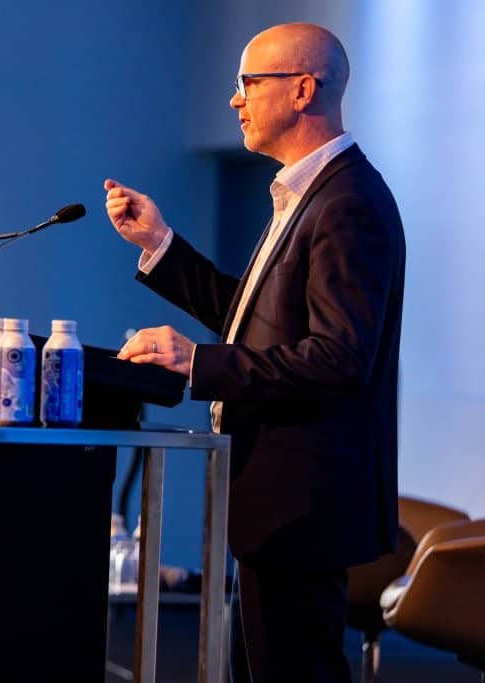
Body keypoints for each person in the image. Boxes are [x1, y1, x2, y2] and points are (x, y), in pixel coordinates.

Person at [104, 23, 404, 683]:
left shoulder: (347, 202)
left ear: (302, 90)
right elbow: (259, 323)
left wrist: (197, 364)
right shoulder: (309, 195)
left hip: (303, 504)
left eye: (247, 82)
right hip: (277, 502)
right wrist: (160, 245)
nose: (234, 99)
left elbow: (338, 358)